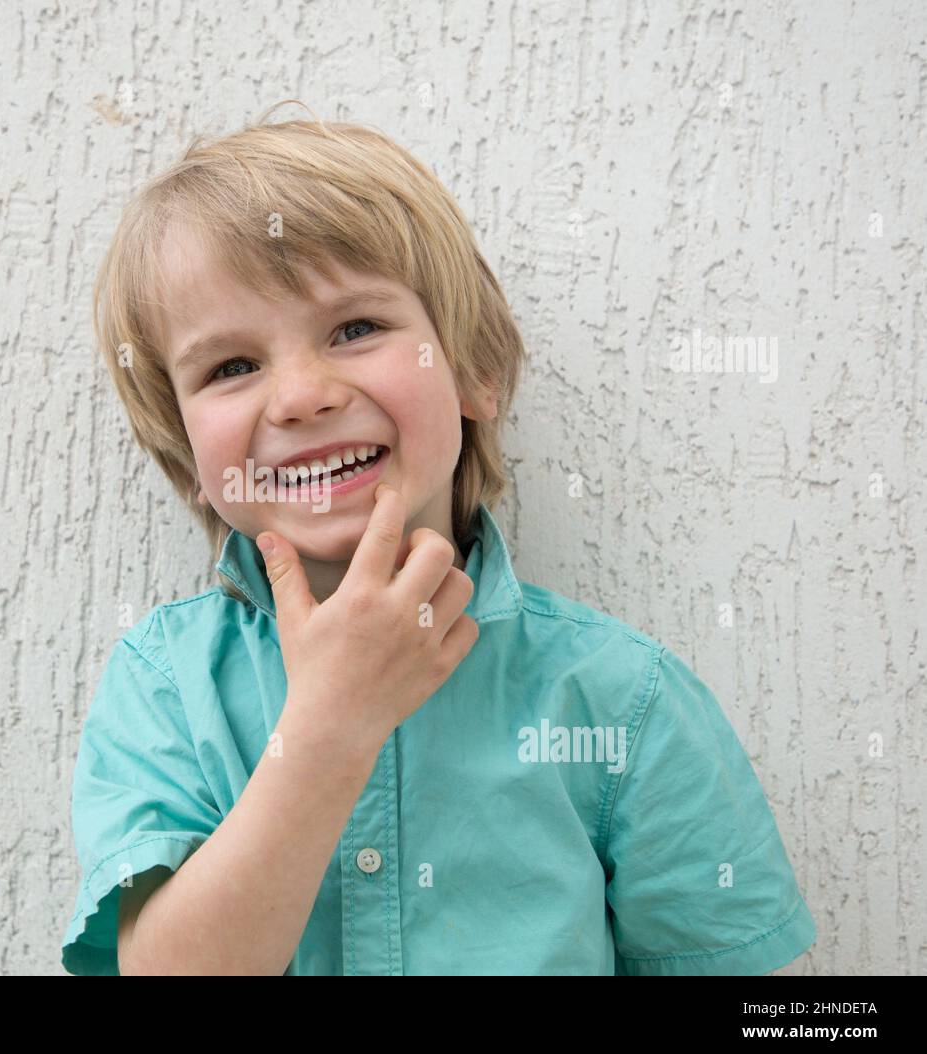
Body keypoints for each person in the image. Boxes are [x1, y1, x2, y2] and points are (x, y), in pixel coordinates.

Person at [61, 103, 818, 975]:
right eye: (231, 367)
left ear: (475, 372)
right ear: (189, 455)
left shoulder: (621, 698)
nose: (301, 395)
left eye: (355, 329)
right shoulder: (165, 687)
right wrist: (330, 724)